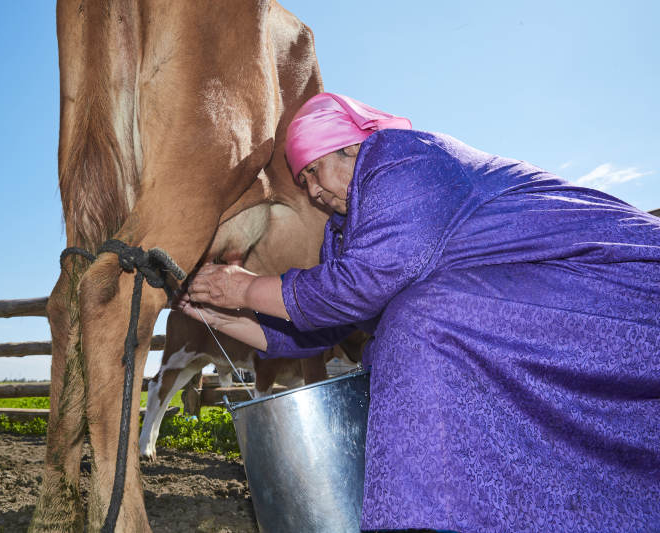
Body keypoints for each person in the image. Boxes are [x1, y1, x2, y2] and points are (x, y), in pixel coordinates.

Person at [178, 92, 660, 532]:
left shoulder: (400, 159)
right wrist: (221, 317)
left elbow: (357, 287)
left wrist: (246, 288)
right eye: (302, 182)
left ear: (350, 148)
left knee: (420, 322)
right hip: (544, 309)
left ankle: (426, 520)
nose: (313, 191)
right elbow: (318, 328)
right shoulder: (344, 234)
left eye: (313, 171)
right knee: (419, 322)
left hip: (618, 284)